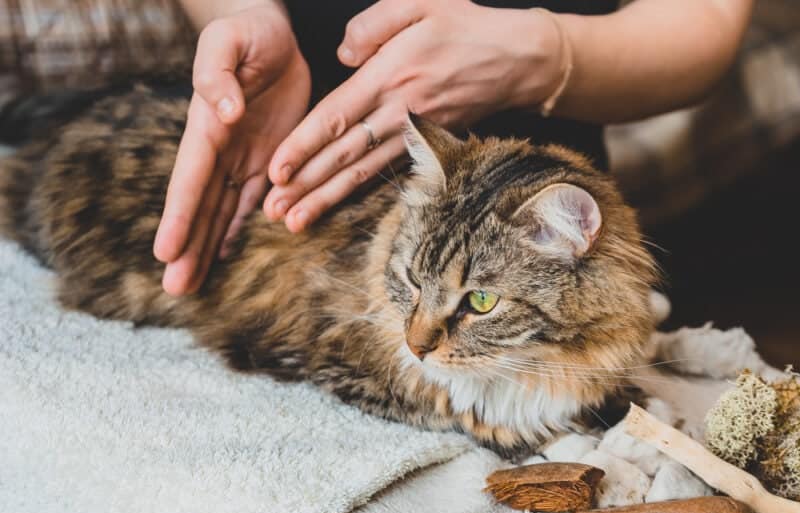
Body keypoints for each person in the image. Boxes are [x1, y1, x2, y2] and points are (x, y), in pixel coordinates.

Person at [154, 0, 753, 296]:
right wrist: (241, 11)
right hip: (282, 181)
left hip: (533, 243)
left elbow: (708, 19)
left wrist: (538, 58)